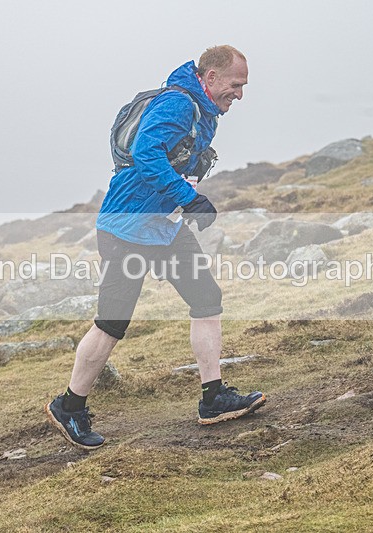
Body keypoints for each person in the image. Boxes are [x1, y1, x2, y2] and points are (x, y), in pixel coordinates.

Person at [45, 45, 265, 450]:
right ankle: (70, 406)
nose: (239, 94)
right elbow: (147, 153)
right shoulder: (179, 105)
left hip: (163, 229)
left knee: (206, 299)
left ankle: (213, 397)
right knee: (112, 323)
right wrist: (187, 196)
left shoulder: (203, 112)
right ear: (211, 77)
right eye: (235, 85)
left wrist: (188, 186)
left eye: (244, 87)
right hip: (126, 228)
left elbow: (170, 158)